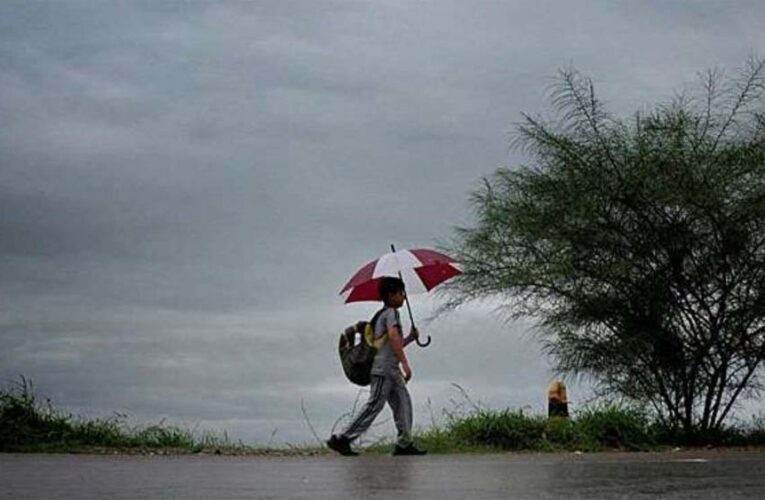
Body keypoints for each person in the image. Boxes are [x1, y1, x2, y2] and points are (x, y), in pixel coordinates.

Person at [327, 276, 426, 456]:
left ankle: (404, 443)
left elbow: (392, 344)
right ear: (391, 295)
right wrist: (405, 363)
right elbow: (394, 337)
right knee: (374, 405)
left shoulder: (383, 315)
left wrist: (411, 338)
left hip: (391, 370)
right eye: (401, 292)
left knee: (403, 402)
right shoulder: (391, 313)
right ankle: (342, 438)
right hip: (383, 370)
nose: (404, 296)